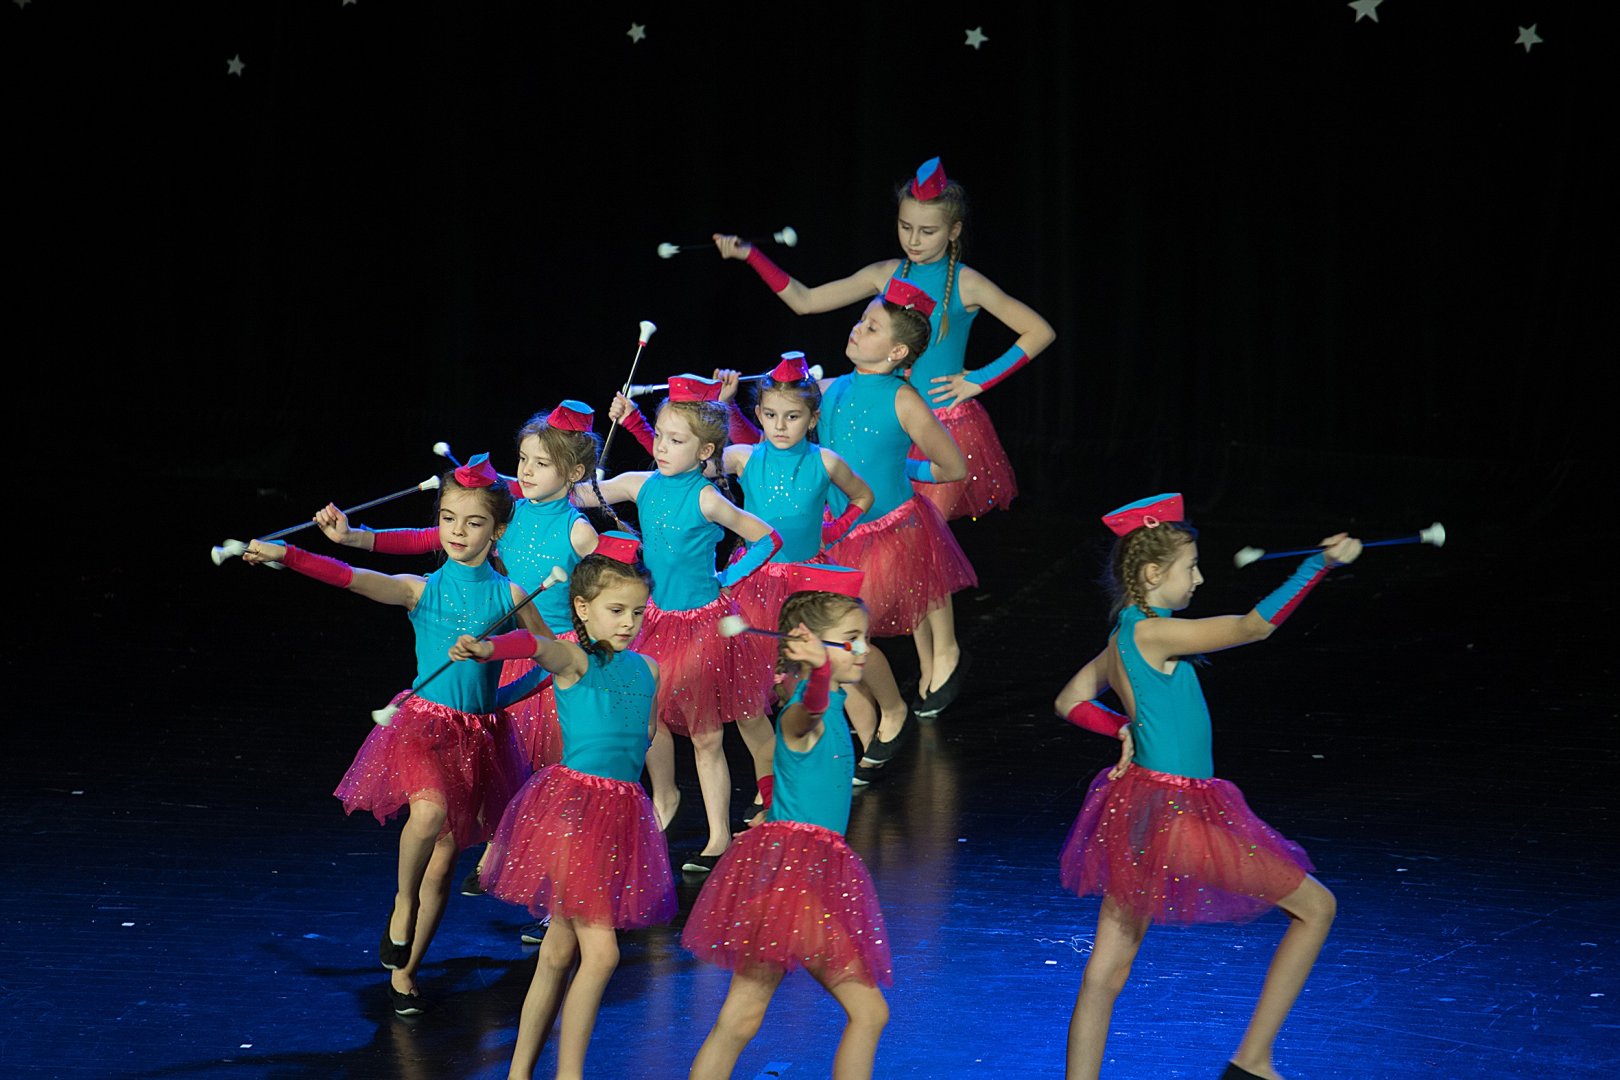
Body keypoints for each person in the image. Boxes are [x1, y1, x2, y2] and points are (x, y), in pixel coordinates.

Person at [1053, 493, 1359, 1079]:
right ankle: (1253, 1060)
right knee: (1317, 908)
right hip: (1174, 815)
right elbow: (1253, 627)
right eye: (1190, 568)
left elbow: (1069, 700)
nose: (1199, 579)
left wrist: (1121, 727)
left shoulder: (1124, 637)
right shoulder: (1153, 636)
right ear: (1152, 574)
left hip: (1137, 811)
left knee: (1106, 973)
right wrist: (1317, 565)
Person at [239, 455, 549, 1016]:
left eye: (473, 522)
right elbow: (351, 578)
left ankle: (406, 971)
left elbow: (550, 658)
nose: (458, 531)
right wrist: (288, 555)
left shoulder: (512, 596)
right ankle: (402, 902)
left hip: (480, 739)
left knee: (445, 862)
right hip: (425, 727)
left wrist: (504, 697)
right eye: (448, 519)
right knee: (428, 816)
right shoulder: (418, 589)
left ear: (498, 531)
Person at [714, 155, 1054, 521]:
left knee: (918, 528)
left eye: (928, 231)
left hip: (939, 422)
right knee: (867, 521)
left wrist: (978, 380)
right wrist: (752, 256)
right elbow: (806, 301)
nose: (914, 240)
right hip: (881, 424)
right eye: (906, 227)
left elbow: (1040, 331)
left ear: (954, 230)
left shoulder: (967, 282)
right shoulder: (885, 273)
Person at [450, 535, 675, 1079]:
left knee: (555, 955)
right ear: (583, 608)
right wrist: (488, 649)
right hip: (575, 813)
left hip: (621, 814)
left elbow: (644, 736)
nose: (628, 622)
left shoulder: (648, 669)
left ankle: (519, 1073)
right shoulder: (575, 659)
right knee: (603, 955)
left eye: (637, 611)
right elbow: (536, 647)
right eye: (616, 610)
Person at [683, 564, 891, 1080]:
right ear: (809, 646)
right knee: (867, 1013)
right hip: (791, 884)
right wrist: (817, 673)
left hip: (798, 879)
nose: (863, 650)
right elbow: (808, 713)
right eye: (851, 639)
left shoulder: (833, 706)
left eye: (864, 638)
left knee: (741, 1018)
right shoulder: (804, 710)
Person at [579, 375, 782, 871]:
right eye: (661, 438)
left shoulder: (707, 498)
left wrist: (729, 577)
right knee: (652, 721)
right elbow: (582, 494)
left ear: (705, 451)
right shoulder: (640, 483)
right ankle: (664, 800)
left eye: (675, 440)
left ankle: (719, 837)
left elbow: (768, 538)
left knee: (708, 736)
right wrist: (541, 475)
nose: (662, 448)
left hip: (703, 628)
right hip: (654, 623)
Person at [819, 279, 977, 718]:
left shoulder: (903, 399)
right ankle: (882, 699)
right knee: (866, 619)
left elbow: (954, 468)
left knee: (912, 598)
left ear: (897, 352)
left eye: (871, 327)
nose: (857, 329)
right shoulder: (831, 387)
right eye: (861, 320)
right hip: (842, 529)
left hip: (892, 526)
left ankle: (939, 661)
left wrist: (903, 468)